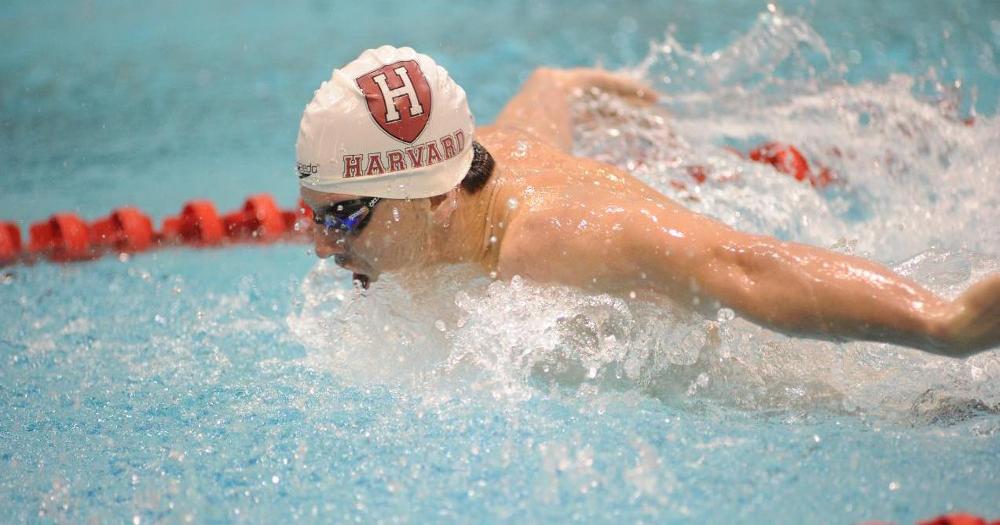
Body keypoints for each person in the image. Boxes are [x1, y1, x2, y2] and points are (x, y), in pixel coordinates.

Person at [295, 46, 1000, 358]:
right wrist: (565, 84)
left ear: (435, 194)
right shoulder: (474, 160)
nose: (322, 245)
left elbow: (747, 265)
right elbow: (532, 112)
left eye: (344, 216)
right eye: (314, 213)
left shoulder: (559, 237)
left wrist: (946, 324)